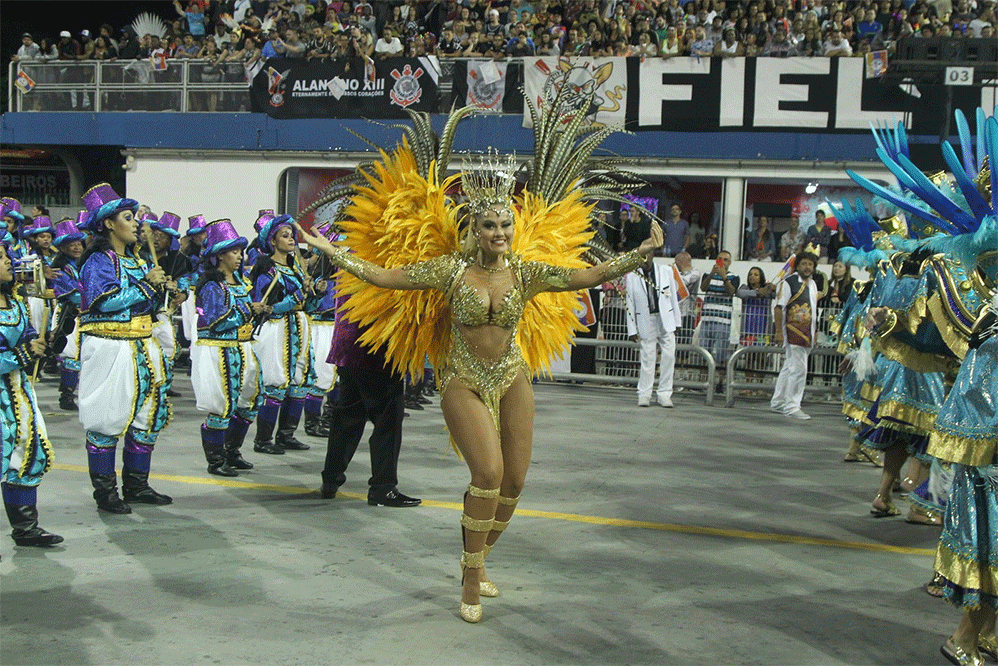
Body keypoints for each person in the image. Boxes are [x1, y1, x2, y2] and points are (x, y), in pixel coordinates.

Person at [295, 124, 664, 626]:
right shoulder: (449, 271)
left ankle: (480, 556)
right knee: (487, 475)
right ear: (475, 228)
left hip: (511, 376)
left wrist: (638, 254)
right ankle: (470, 578)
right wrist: (331, 251)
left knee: (514, 481)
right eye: (490, 225)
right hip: (463, 381)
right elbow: (383, 277)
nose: (500, 234)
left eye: (506, 225)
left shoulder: (527, 272)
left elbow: (589, 275)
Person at [78, 184, 172, 514]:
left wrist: (166, 294)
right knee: (106, 419)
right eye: (128, 218)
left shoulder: (137, 260)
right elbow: (104, 304)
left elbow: (146, 306)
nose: (136, 223)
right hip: (111, 348)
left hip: (142, 346)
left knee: (145, 419)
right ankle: (105, 493)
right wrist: (147, 285)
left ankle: (137, 485)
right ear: (108, 224)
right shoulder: (98, 261)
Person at [318, 285, 422, 507]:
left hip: (348, 347)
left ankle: (330, 480)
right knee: (388, 421)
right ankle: (383, 488)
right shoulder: (384, 264)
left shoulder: (348, 262)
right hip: (376, 350)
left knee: (347, 418)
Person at [192, 219, 270, 476]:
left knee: (249, 402)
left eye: (240, 251)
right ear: (219, 256)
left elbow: (244, 316)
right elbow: (218, 321)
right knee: (221, 405)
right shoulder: (212, 286)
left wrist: (260, 312)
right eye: (234, 252)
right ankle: (215, 461)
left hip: (244, 348)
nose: (239, 256)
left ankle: (231, 451)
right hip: (220, 350)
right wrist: (249, 310)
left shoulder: (242, 283)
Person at [0, 239, 64, 548]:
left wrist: (39, 344)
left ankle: (26, 529)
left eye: (6, 255)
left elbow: (25, 337)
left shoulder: (14, 302)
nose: (8, 261)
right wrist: (21, 354)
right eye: (0, 257)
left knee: (27, 453)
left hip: (17, 390)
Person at [250, 215, 312, 455]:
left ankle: (286, 435)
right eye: (284, 236)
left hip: (299, 326)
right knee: (275, 382)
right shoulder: (266, 270)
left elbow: (305, 301)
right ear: (272, 241)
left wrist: (313, 292)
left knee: (299, 381)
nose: (291, 240)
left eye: (292, 236)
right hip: (277, 328)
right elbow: (265, 306)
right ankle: (263, 439)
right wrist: (294, 298)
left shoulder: (295, 267)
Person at [625, 254, 682, 407]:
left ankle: (664, 394)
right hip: (646, 319)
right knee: (647, 358)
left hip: (666, 318)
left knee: (669, 356)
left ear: (652, 255)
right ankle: (644, 394)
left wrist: (677, 321)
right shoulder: (632, 276)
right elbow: (629, 302)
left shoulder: (666, 271)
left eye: (647, 255)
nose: (644, 259)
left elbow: (673, 298)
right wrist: (632, 329)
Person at [770, 251, 819, 419]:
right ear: (797, 266)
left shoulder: (813, 284)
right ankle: (792, 406)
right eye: (804, 264)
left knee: (789, 367)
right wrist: (778, 332)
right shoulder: (788, 282)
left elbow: (813, 311)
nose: (807, 267)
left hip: (808, 332)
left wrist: (814, 332)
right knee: (799, 370)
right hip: (793, 331)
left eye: (810, 264)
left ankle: (778, 402)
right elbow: (779, 307)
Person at [49, 214, 87, 411]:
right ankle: (66, 396)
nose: (77, 247)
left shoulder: (80, 264)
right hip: (68, 314)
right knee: (71, 354)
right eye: (72, 245)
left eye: (79, 244)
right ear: (63, 247)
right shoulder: (59, 268)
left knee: (83, 354)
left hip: (83, 314)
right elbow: (71, 293)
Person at [699, 250, 739, 393]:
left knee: (722, 354)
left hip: (723, 321)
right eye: (720, 259)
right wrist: (711, 274)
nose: (722, 262)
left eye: (725, 259)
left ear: (730, 262)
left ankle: (720, 383)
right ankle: (703, 382)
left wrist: (724, 277)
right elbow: (703, 288)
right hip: (707, 319)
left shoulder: (734, 277)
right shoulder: (707, 274)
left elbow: (731, 292)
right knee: (704, 352)